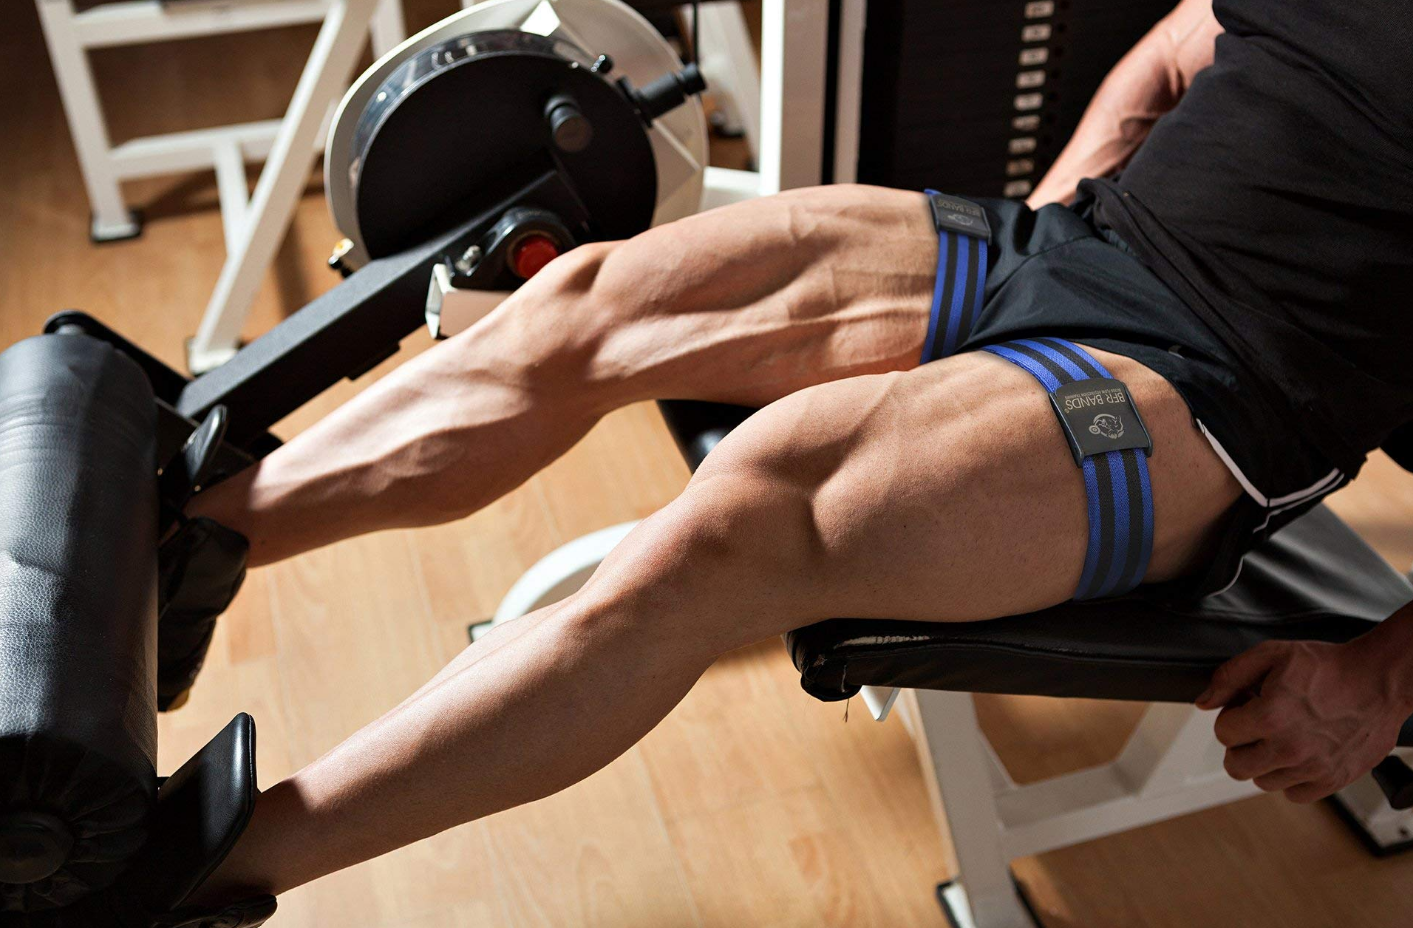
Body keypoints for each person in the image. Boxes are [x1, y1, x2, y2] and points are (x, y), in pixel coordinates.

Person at [174, 0, 1413, 906]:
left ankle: (188, 875)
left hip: (1204, 389)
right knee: (583, 305)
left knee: (748, 521)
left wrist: (1382, 682)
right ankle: (184, 553)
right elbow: (1189, 38)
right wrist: (1057, 220)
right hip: (1070, 244)